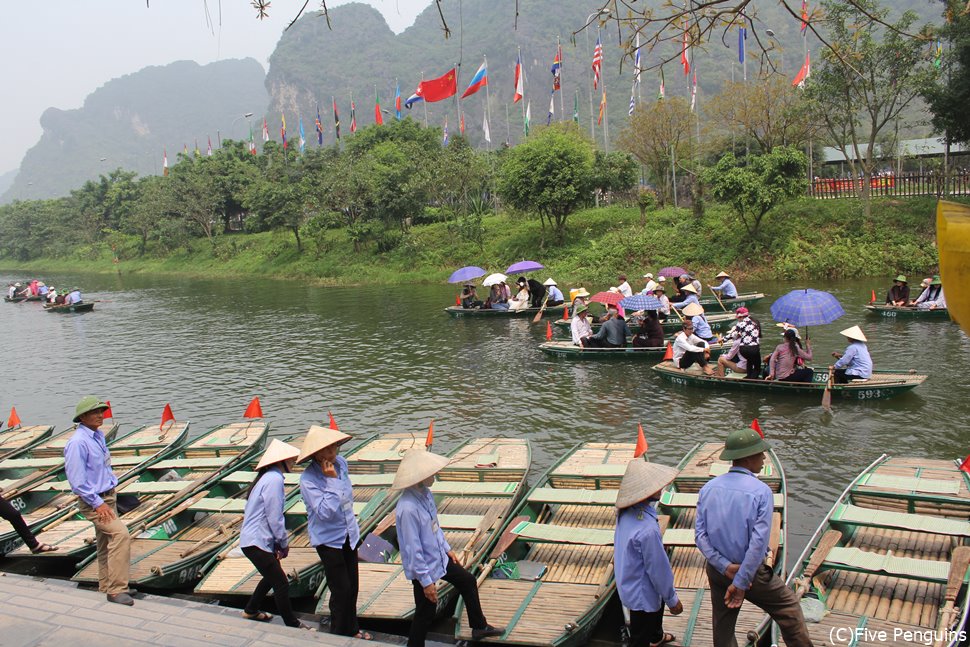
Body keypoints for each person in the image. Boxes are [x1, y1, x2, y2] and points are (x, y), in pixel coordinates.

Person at [695, 429, 813, 647]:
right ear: (748, 458)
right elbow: (758, 545)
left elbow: (700, 536)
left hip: (718, 570)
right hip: (750, 574)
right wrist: (740, 581)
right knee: (789, 609)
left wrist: (724, 566)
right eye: (760, 454)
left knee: (723, 624)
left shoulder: (708, 488)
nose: (764, 458)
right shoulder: (761, 491)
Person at [393, 449, 503, 647]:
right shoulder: (407, 509)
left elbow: (435, 527)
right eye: (431, 473)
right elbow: (412, 549)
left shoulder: (425, 494)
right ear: (420, 477)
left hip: (438, 557)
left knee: (468, 581)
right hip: (423, 567)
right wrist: (426, 582)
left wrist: (446, 548)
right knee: (426, 612)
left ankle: (479, 626)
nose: (435, 475)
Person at [299, 425, 371, 639]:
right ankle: (338, 635)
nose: (333, 453)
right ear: (316, 454)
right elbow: (324, 512)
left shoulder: (342, 464)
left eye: (334, 447)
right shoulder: (309, 479)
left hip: (349, 533)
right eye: (327, 450)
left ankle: (353, 629)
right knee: (341, 591)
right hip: (328, 540)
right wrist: (330, 480)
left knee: (353, 586)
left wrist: (335, 479)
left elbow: (347, 497)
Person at [64, 396, 132, 605]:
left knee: (105, 542)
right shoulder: (78, 442)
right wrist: (97, 503)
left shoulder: (97, 436)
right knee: (121, 536)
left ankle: (106, 584)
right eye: (95, 412)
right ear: (82, 417)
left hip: (108, 496)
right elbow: (77, 482)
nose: (100, 415)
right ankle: (117, 589)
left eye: (101, 411)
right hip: (95, 502)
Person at [614, 459, 683, 647]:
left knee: (650, 622)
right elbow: (658, 570)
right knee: (639, 637)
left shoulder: (625, 513)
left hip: (628, 580)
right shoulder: (647, 530)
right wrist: (672, 599)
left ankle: (656, 636)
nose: (661, 487)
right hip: (642, 592)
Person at [239, 439, 307, 628]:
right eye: (291, 459)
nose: (294, 462)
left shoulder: (266, 477)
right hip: (256, 541)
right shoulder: (274, 479)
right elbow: (275, 516)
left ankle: (251, 610)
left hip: (253, 540)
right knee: (281, 583)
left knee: (271, 576)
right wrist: (283, 543)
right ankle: (292, 623)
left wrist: (276, 544)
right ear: (281, 460)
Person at [722, 307, 761, 379]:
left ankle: (749, 376)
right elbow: (759, 335)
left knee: (749, 361)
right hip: (753, 348)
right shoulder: (755, 322)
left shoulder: (740, 324)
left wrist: (723, 340)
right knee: (757, 366)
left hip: (743, 349)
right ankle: (754, 379)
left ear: (740, 317)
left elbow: (733, 334)